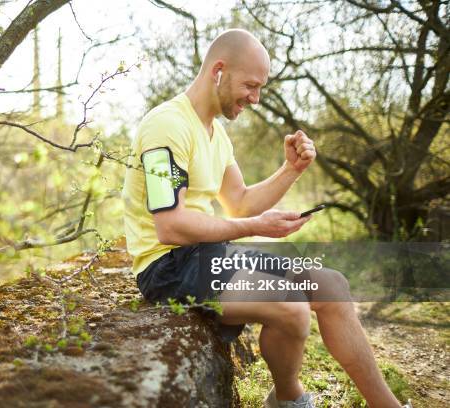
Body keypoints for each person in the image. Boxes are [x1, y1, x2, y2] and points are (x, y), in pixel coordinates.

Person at [122, 29, 411, 408]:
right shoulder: (166, 126)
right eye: (251, 85)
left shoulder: (216, 135)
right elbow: (170, 225)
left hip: (207, 254)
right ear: (219, 71)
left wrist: (290, 170)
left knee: (332, 285)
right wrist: (256, 227)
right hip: (167, 267)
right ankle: (288, 399)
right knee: (291, 307)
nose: (255, 98)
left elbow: (239, 203)